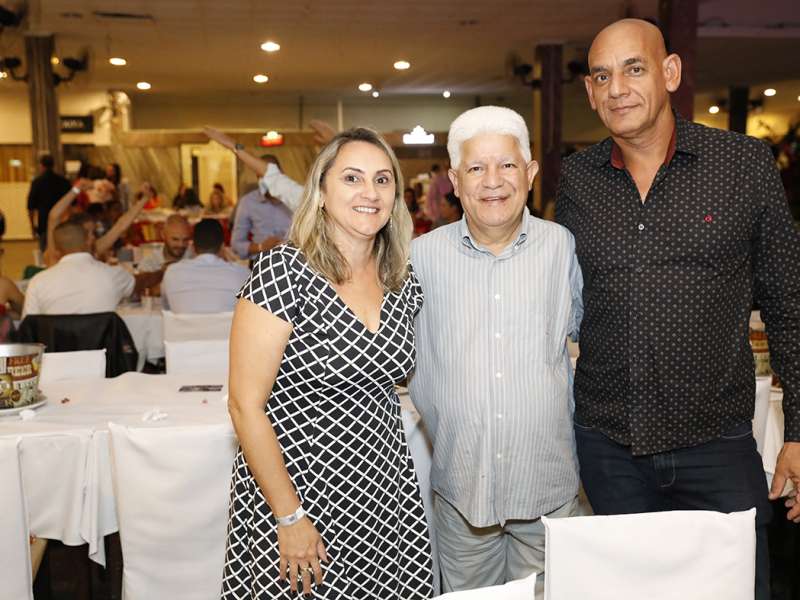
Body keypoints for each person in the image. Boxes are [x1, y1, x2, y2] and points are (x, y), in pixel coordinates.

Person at [555, 19, 800, 600]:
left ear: (670, 72)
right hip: (608, 449)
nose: (617, 88)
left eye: (633, 68)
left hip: (716, 447)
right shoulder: (577, 179)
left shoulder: (742, 164)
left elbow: (790, 302)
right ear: (589, 93)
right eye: (602, 75)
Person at [221, 128, 433, 599]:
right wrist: (289, 516)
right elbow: (244, 406)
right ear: (320, 191)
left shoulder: (401, 277)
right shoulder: (284, 271)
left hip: (383, 490)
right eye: (352, 178)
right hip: (302, 488)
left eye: (383, 180)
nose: (369, 193)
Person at [409, 106, 582, 594]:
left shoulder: (562, 248)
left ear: (529, 173)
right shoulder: (421, 257)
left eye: (507, 165)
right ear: (455, 181)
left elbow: (589, 341)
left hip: (548, 486)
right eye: (476, 168)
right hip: (464, 490)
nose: (493, 181)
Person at [23, 221, 136, 316]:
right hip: (102, 342)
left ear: (56, 251)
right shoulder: (113, 275)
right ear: (89, 241)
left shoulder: (38, 282)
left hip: (55, 343)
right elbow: (136, 285)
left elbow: (28, 328)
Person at [161, 219, 249, 313]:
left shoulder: (172, 273)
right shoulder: (242, 274)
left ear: (193, 247)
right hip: (225, 328)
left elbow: (166, 308)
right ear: (222, 247)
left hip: (185, 327)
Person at [230, 156, 294, 260]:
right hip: (261, 262)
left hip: (293, 261)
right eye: (263, 176)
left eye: (272, 176)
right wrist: (261, 247)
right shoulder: (248, 202)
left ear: (281, 174)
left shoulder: (295, 197)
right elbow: (236, 244)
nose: (269, 181)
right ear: (257, 177)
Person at [27, 154, 71, 251]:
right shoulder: (64, 181)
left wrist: (32, 226)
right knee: (62, 250)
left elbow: (30, 207)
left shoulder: (37, 182)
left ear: (41, 165)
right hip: (62, 219)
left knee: (45, 250)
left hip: (44, 221)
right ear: (53, 165)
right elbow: (71, 203)